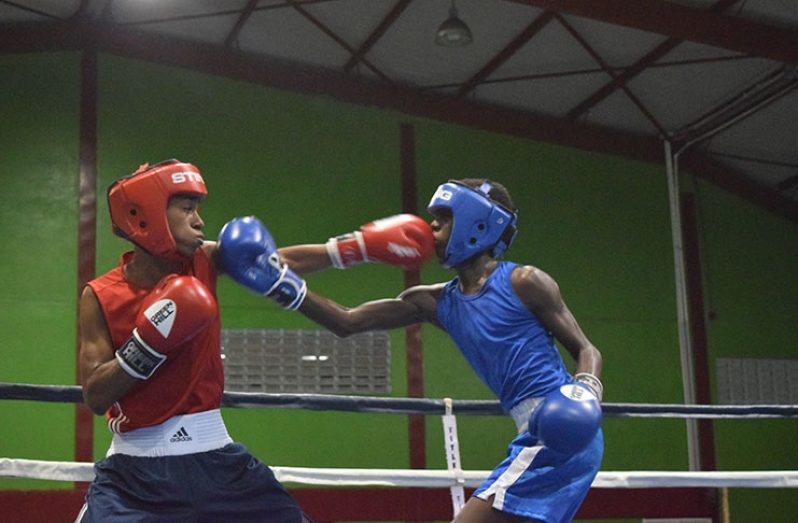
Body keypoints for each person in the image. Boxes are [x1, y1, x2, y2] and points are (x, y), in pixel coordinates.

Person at [218, 179, 604, 523]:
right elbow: (348, 321)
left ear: (477, 222)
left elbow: (586, 349)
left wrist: (585, 392)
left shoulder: (526, 281)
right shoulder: (435, 301)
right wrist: (281, 285)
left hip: (559, 427)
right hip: (534, 431)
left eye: (443, 218)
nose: (431, 228)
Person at [76, 158, 437, 522]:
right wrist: (148, 345)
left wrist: (355, 248)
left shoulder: (203, 261)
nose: (199, 220)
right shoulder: (101, 295)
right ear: (147, 214)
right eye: (187, 209)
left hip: (217, 462)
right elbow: (95, 394)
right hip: (134, 478)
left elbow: (264, 262)